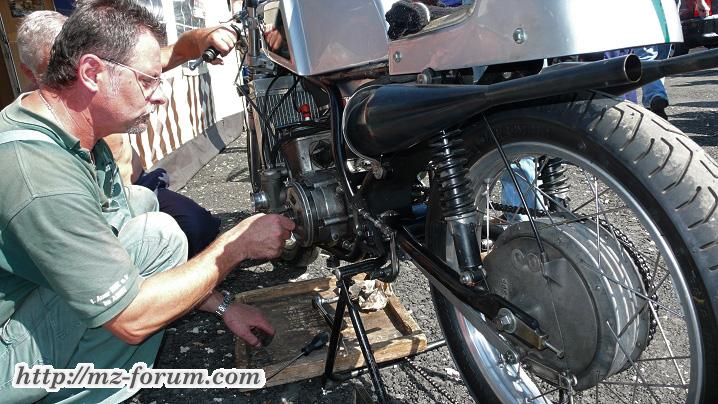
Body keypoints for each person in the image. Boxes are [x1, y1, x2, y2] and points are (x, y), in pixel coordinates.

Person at [0, 1, 295, 402]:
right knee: (157, 237)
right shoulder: (40, 176)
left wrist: (223, 306)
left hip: (29, 306)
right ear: (91, 72)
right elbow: (130, 320)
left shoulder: (73, 134)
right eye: (148, 80)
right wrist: (235, 245)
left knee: (141, 204)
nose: (162, 95)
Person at [16, 9, 230, 258]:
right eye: (53, 71)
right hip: (94, 206)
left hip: (134, 186)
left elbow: (179, 50)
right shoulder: (35, 130)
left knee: (198, 226)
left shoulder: (119, 66)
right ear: (30, 73)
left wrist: (205, 36)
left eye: (69, 60)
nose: (67, 76)